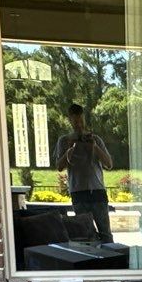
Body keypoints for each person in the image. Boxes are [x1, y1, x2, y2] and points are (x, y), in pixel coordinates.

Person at [52, 102, 113, 243]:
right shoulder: (64, 141)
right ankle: (91, 263)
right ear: (70, 120)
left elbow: (109, 164)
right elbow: (59, 167)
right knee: (86, 235)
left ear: (84, 118)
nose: (79, 124)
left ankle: (111, 262)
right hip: (78, 193)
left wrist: (94, 147)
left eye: (81, 120)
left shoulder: (95, 139)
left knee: (106, 233)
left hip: (97, 191)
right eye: (75, 121)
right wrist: (70, 148)